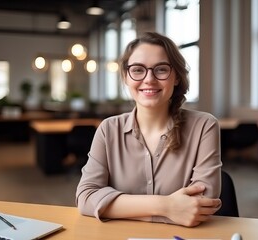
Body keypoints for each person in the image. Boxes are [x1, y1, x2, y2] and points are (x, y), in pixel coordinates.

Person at [76, 32, 222, 227]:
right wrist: (167, 207)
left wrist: (114, 207)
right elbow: (86, 197)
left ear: (176, 77)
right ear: (126, 77)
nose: (149, 79)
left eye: (161, 70)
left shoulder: (204, 126)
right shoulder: (108, 129)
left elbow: (200, 206)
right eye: (138, 70)